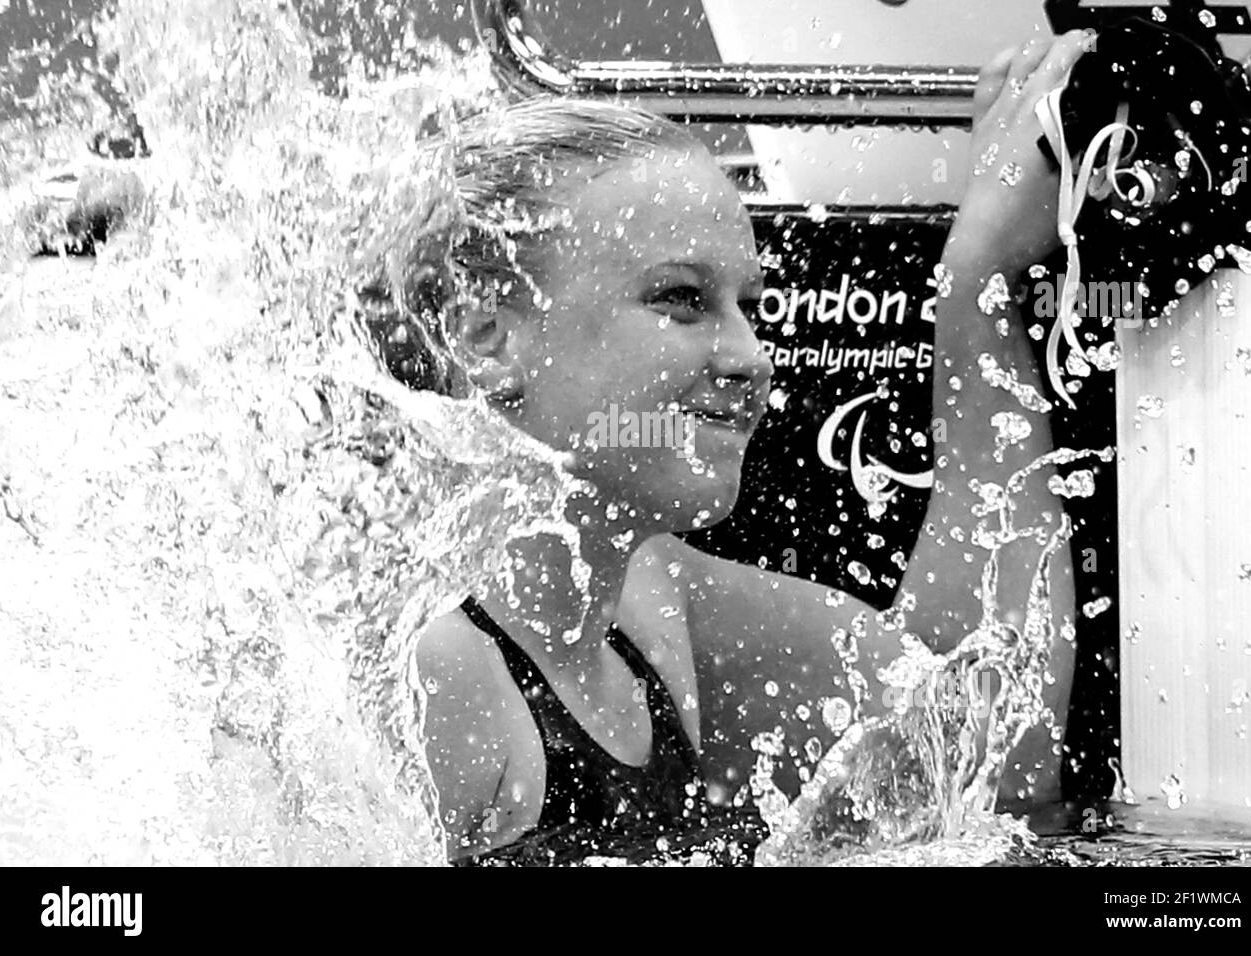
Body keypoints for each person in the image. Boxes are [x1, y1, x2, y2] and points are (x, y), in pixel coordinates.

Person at [410, 31, 1096, 864]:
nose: (752, 359)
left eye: (748, 305)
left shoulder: (648, 599)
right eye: (682, 299)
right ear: (489, 340)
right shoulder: (433, 671)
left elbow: (972, 744)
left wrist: (977, 281)